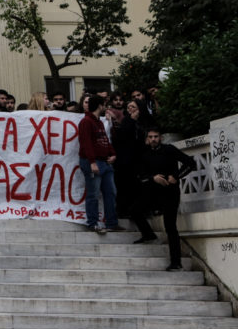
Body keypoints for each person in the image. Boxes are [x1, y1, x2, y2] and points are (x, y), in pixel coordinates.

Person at [131, 129, 196, 271]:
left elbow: (191, 163)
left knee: (170, 226)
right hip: (153, 193)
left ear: (160, 138)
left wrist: (176, 176)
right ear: (147, 139)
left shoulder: (169, 149)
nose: (153, 139)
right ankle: (148, 235)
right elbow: (139, 175)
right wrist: (152, 178)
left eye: (156, 137)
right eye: (150, 137)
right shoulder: (144, 153)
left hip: (170, 193)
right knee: (135, 210)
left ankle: (176, 263)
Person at [77, 94, 123, 234]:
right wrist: (92, 162)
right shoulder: (86, 122)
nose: (105, 107)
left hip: (104, 162)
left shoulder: (99, 122)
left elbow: (105, 139)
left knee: (111, 192)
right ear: (99, 106)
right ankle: (93, 223)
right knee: (93, 193)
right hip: (93, 162)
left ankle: (111, 223)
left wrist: (113, 153)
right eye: (104, 104)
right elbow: (86, 143)